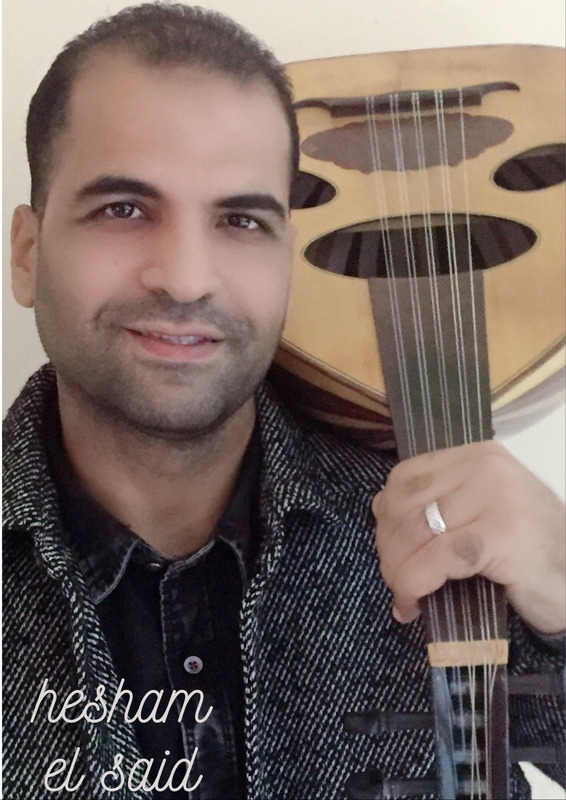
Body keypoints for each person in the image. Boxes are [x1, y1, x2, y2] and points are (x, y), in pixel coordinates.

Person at [3, 3, 564, 799]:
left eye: (241, 220)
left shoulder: (449, 531)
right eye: (123, 210)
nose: (186, 278)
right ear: (27, 254)